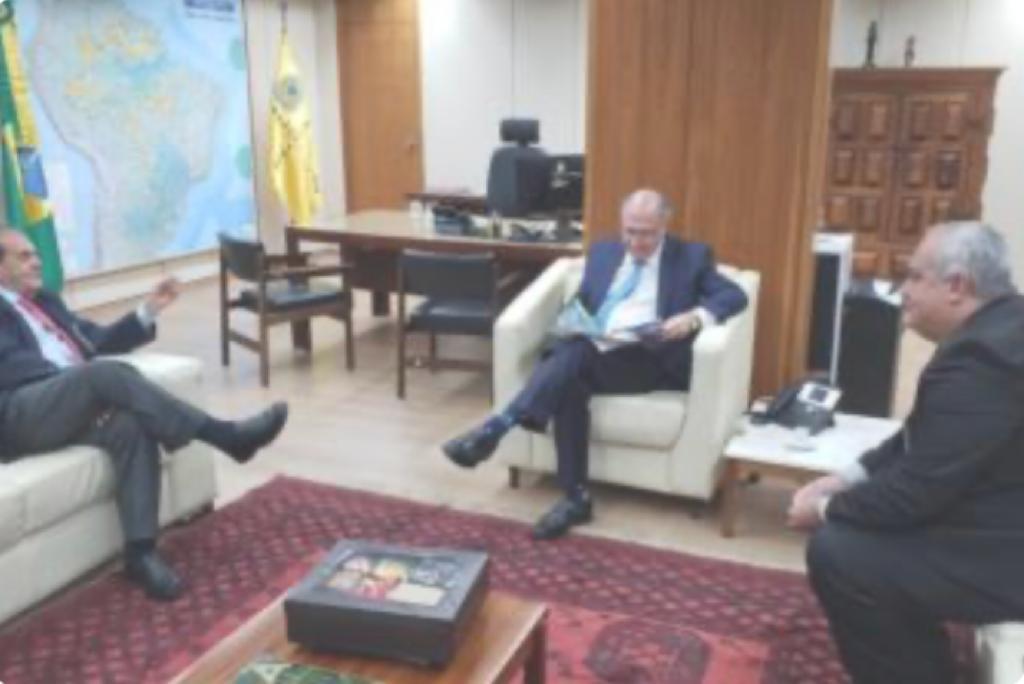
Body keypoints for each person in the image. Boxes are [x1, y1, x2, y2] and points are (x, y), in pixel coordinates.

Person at [787, 221, 1024, 684]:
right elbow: (918, 436)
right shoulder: (999, 329)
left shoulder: (981, 363)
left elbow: (914, 494)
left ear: (957, 286)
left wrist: (823, 509)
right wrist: (845, 478)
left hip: (1009, 549)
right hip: (1001, 514)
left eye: (915, 277)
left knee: (840, 552)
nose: (903, 291)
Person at [0, 228, 289, 601]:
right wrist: (78, 384)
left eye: (35, 254)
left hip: (65, 403)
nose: (37, 262)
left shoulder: (47, 303)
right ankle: (225, 436)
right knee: (99, 375)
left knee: (130, 424)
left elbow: (96, 341)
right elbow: (11, 367)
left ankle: (140, 553)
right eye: (24, 256)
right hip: (19, 414)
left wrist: (149, 309)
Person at [444, 188, 748, 540]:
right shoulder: (603, 252)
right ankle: (575, 497)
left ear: (665, 225)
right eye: (630, 231)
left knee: (575, 356)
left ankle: (497, 428)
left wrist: (695, 317)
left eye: (646, 234)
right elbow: (585, 302)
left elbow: (734, 295)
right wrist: (572, 319)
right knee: (571, 380)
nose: (636, 242)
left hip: (647, 359)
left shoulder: (690, 257)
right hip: (593, 350)